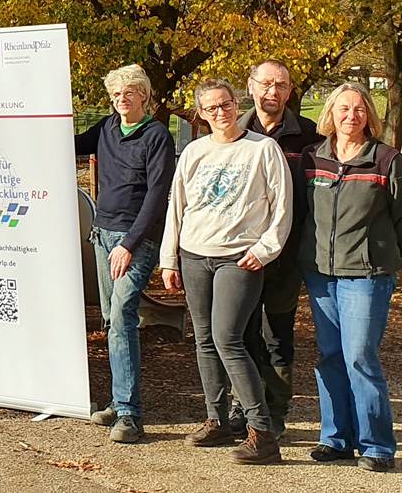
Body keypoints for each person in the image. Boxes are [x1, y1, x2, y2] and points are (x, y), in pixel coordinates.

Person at [160, 78, 291, 464]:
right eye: (212, 108)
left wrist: (265, 250)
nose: (221, 113)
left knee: (228, 338)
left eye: (227, 105)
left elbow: (282, 206)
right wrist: (170, 259)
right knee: (203, 339)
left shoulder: (263, 149)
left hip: (239, 258)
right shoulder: (194, 152)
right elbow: (177, 207)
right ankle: (216, 419)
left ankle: (262, 432)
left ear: (238, 105)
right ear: (200, 113)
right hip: (195, 254)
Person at [300, 83, 401, 473]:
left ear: (369, 116)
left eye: (359, 109)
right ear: (331, 113)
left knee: (360, 356)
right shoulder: (312, 158)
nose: (350, 116)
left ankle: (376, 445)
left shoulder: (387, 159)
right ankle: (336, 438)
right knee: (330, 356)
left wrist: (387, 257)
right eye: (343, 109)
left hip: (367, 275)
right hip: (321, 275)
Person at [75, 64, 175, 444]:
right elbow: (72, 143)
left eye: (128, 93)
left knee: (122, 316)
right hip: (102, 233)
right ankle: (118, 402)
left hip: (136, 239)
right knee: (109, 318)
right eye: (116, 94)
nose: (121, 99)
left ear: (144, 96)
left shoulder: (157, 136)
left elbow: (156, 198)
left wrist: (129, 245)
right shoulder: (106, 128)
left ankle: (130, 415)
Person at [234, 60, 321, 438]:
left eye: (281, 85)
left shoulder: (311, 137)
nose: (273, 91)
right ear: (251, 87)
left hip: (286, 257)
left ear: (289, 91)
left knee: (277, 334)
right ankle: (245, 407)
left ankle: (276, 410)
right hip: (238, 255)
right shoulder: (234, 131)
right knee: (241, 331)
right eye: (266, 84)